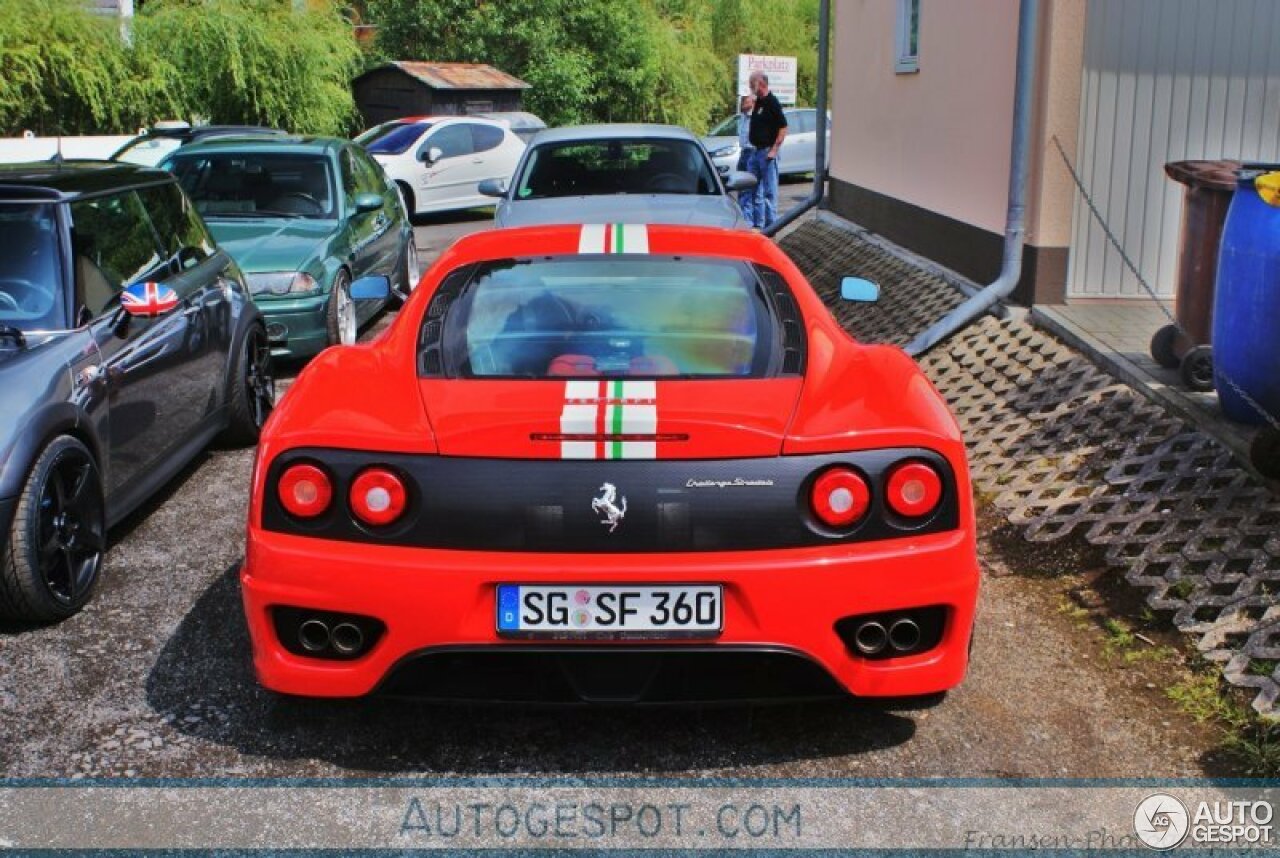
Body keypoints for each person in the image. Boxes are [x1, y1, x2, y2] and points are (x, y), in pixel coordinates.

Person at [744, 71, 788, 230]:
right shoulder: (758, 102)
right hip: (755, 153)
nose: (750, 87)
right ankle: (758, 225)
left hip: (767, 153)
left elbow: (783, 127)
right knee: (753, 189)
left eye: (751, 84)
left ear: (760, 83)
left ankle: (771, 227)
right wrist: (750, 100)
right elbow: (744, 109)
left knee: (770, 192)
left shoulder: (772, 102)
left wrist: (774, 150)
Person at [734, 94, 757, 220]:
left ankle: (748, 218)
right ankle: (742, 213)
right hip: (743, 152)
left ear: (752, 103)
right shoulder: (742, 117)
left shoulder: (755, 118)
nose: (742, 104)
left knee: (748, 186)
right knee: (740, 184)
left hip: (752, 152)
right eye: (742, 101)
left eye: (745, 101)